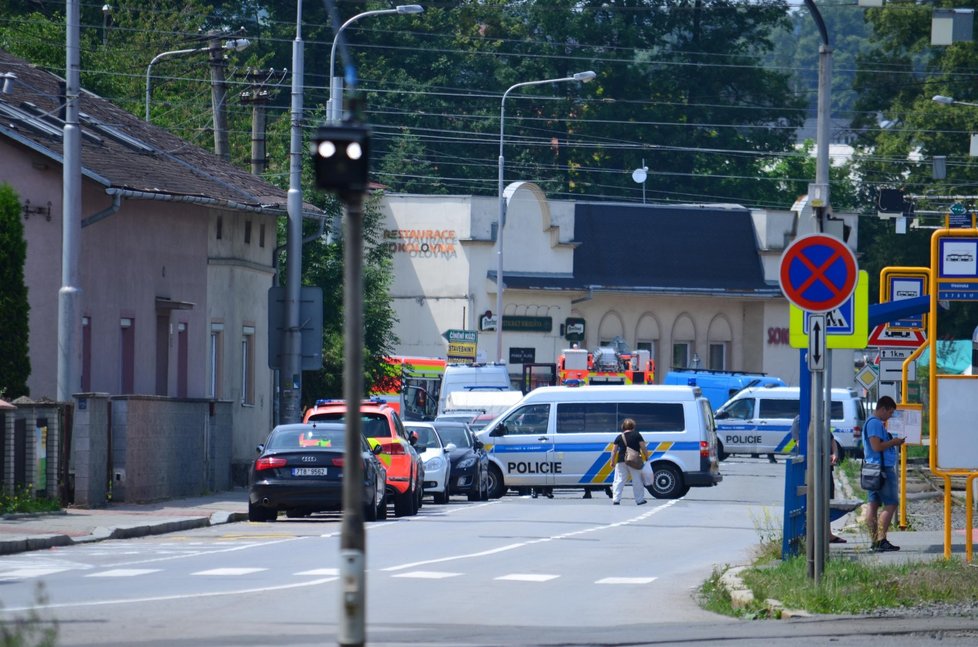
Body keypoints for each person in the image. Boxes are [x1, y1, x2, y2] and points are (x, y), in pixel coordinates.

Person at [863, 396, 904, 552]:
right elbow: (876, 446)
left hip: (873, 469)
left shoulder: (872, 422)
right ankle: (881, 539)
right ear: (883, 409)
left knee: (873, 504)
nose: (890, 416)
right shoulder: (874, 423)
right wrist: (894, 442)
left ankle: (875, 541)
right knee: (891, 504)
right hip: (881, 470)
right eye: (890, 412)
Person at [611, 418, 648, 506]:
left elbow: (614, 451)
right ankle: (639, 500)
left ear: (623, 426)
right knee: (637, 480)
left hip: (621, 461)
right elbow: (643, 447)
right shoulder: (637, 435)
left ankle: (616, 499)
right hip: (634, 461)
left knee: (619, 480)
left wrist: (612, 461)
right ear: (633, 426)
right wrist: (646, 456)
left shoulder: (619, 437)